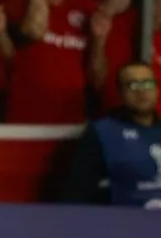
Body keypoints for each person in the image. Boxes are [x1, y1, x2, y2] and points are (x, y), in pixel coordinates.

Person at [59, 61, 161, 208]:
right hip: (123, 222)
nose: (142, 91)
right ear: (120, 92)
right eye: (132, 85)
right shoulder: (102, 132)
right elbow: (75, 193)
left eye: (147, 83)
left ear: (157, 89)